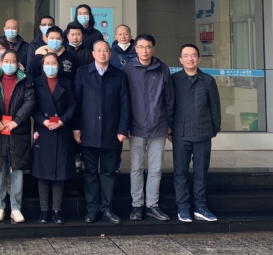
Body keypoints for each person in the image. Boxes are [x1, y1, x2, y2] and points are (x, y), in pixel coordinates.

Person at [73, 40, 130, 224]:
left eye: (106, 50)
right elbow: (76, 102)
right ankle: (92, 209)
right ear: (93, 53)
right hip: (88, 132)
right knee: (89, 172)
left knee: (108, 173)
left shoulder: (119, 75)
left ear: (110, 54)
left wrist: (122, 129)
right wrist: (76, 127)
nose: (102, 54)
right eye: (99, 50)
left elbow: (125, 104)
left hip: (112, 133)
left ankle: (106, 208)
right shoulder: (82, 73)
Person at [122, 33, 174, 222]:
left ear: (153, 49)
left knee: (155, 169)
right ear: (135, 49)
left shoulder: (163, 69)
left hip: (158, 127)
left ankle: (152, 205)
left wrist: (170, 124)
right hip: (135, 127)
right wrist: (124, 125)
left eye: (148, 46)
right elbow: (123, 100)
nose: (144, 50)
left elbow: (169, 99)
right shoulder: (127, 69)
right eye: (141, 46)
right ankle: (137, 205)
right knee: (136, 167)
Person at [171, 44, 221, 223]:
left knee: (201, 172)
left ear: (199, 59)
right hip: (181, 133)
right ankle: (183, 207)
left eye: (193, 55)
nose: (190, 59)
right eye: (186, 55)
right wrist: (169, 128)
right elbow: (169, 106)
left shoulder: (208, 80)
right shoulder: (174, 80)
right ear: (180, 60)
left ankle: (200, 207)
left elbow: (215, 107)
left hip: (203, 133)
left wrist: (214, 129)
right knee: (181, 172)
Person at [0, 50, 35, 224]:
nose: (9, 64)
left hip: (18, 131)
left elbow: (30, 102)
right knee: (0, 170)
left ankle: (16, 208)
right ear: (1, 62)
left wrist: (17, 121)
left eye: (12, 61)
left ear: (17, 63)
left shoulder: (26, 80)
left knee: (17, 170)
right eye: (6, 60)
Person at [32, 53, 78, 224]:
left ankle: (57, 210)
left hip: (62, 130)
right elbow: (32, 106)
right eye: (47, 63)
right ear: (42, 65)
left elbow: (73, 105)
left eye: (54, 63)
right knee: (43, 172)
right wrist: (43, 121)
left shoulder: (67, 82)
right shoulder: (36, 82)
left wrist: (63, 121)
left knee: (60, 171)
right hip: (43, 130)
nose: (50, 66)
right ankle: (44, 210)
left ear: (59, 65)